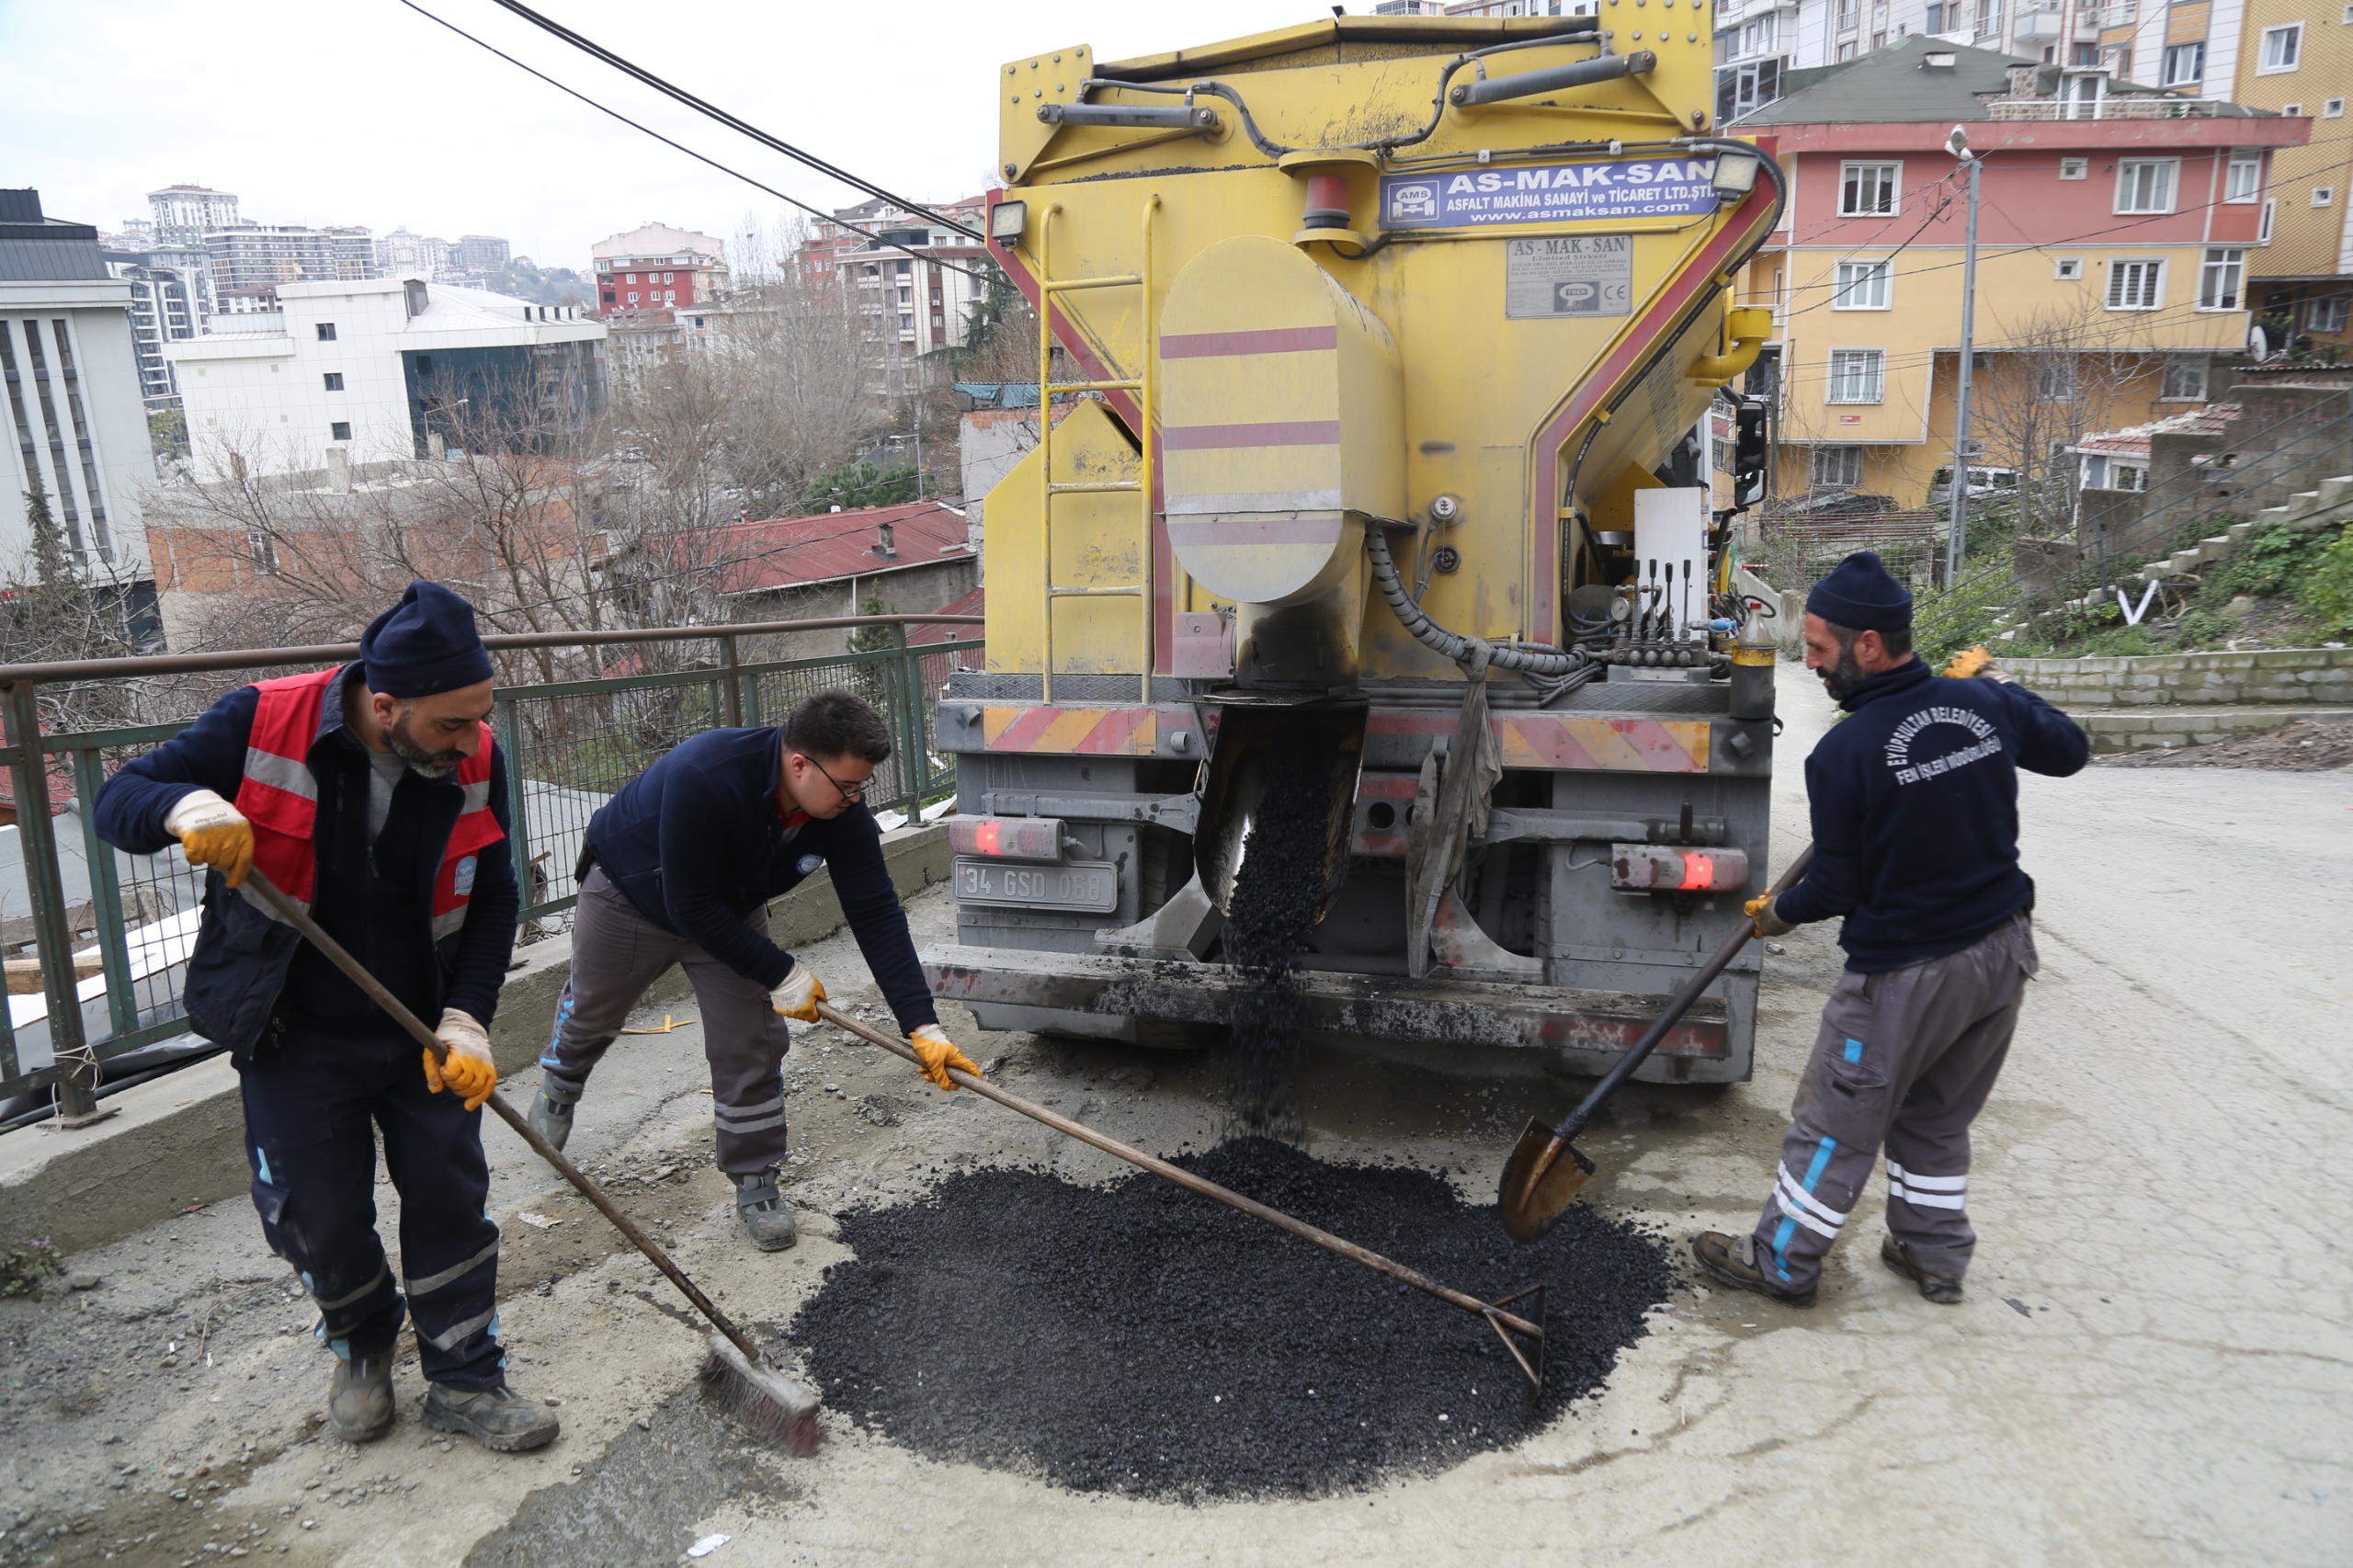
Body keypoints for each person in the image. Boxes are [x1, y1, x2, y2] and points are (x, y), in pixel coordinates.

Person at [95, 583, 558, 1452]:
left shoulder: (476, 753)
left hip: (421, 1029)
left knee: (452, 1200)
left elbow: (495, 896)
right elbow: (119, 799)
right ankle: (363, 1344)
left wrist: (468, 1018)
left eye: (478, 719)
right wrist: (183, 806)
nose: (470, 742)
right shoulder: (260, 721)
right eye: (451, 725)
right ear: (385, 705)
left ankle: (466, 1376)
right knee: (316, 1215)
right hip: (293, 1030)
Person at [1692, 551, 2088, 1308]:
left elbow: (1840, 883)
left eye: (1817, 648)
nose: (1807, 663)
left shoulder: (1844, 752)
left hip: (1906, 972)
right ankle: (1932, 1253)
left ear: (1867, 647)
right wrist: (1995, 694)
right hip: (2000, 955)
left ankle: (1779, 1259)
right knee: (1937, 1115)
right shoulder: (1982, 707)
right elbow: (2068, 750)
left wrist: (1781, 913)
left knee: (1836, 1120)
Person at [529, 688, 978, 1252]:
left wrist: (922, 1024)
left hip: (731, 909)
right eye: (848, 786)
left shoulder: (841, 811)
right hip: (631, 894)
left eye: (863, 787)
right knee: (594, 1010)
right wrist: (782, 973)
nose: (856, 799)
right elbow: (687, 905)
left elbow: (876, 914)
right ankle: (561, 1082)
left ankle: (757, 1183)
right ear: (798, 764)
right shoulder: (709, 772)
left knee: (752, 1041)